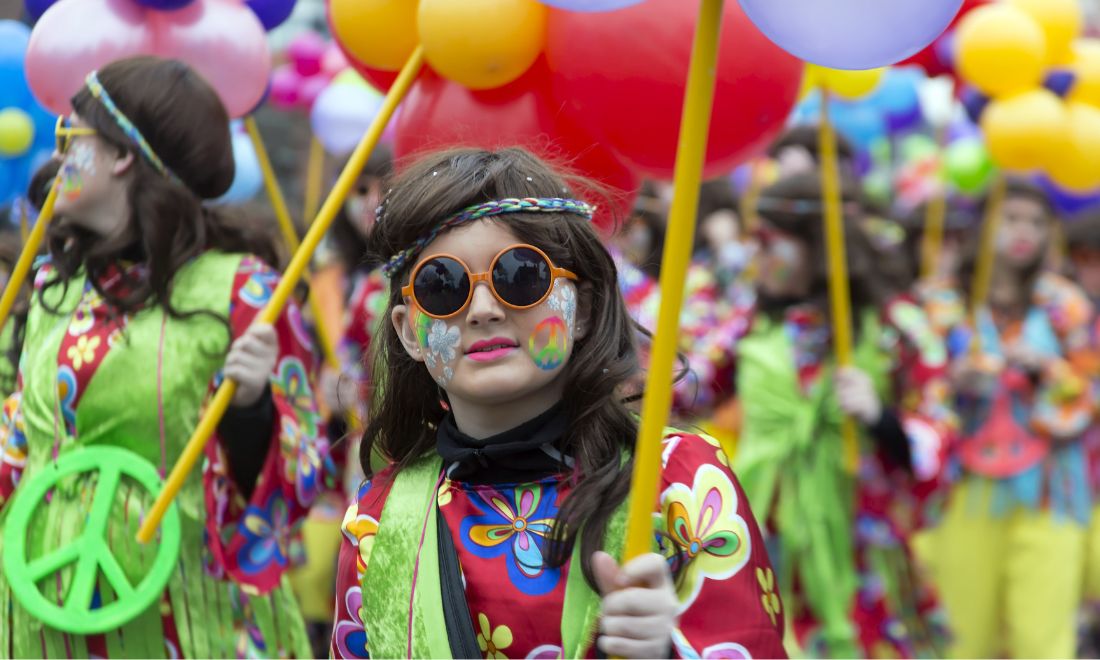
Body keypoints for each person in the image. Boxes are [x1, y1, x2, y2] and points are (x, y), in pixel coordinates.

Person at [330, 147, 787, 659]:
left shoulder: (678, 481)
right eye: (444, 286)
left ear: (584, 308)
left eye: (521, 276)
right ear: (408, 331)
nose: (482, 310)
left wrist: (666, 648)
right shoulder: (377, 516)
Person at [0, 56, 329, 658]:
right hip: (43, 601)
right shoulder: (55, 282)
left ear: (122, 154)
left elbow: (301, 469)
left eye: (70, 137)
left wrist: (251, 410)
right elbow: (21, 436)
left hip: (184, 611)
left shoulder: (245, 291)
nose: (55, 160)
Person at [682, 173, 954, 657]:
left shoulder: (894, 323)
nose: (754, 256)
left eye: (767, 241)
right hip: (767, 525)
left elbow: (940, 418)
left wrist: (882, 418)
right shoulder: (748, 322)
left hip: (858, 535)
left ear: (817, 244)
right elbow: (687, 389)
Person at [920, 180, 1096, 658]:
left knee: (1042, 641)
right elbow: (915, 390)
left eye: (1037, 223)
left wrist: (1048, 369)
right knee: (960, 637)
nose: (1024, 232)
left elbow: (1092, 389)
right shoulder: (939, 302)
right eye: (1011, 218)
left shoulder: (1066, 303)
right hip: (963, 491)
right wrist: (952, 381)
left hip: (1049, 490)